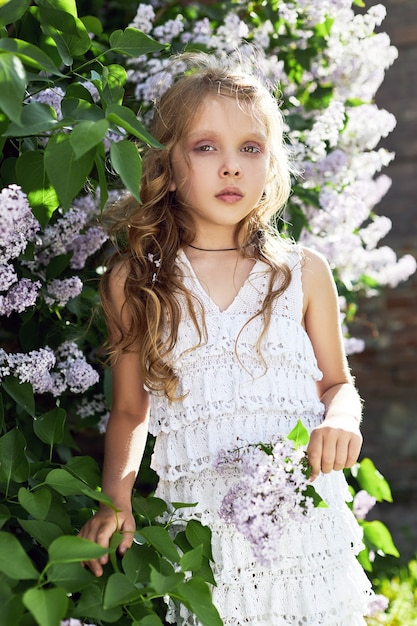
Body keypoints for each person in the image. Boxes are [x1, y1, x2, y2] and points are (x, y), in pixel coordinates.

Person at [79, 51, 373, 624]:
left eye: (251, 149)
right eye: (207, 147)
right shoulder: (135, 280)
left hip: (302, 522)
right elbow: (130, 411)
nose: (231, 167)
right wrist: (116, 501)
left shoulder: (301, 272)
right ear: (167, 162)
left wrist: (342, 418)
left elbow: (338, 383)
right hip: (202, 531)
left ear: (271, 166)